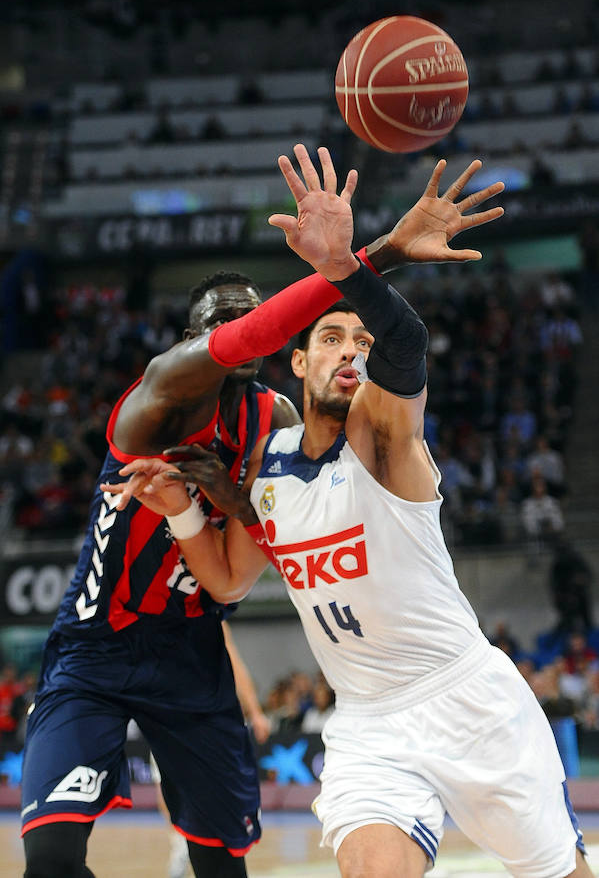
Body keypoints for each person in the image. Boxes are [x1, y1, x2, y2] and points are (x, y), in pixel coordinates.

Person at [105, 149, 589, 877]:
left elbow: (406, 341)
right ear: (294, 363)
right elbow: (229, 580)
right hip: (367, 721)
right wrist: (184, 511)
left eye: (359, 342)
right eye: (330, 337)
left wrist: (347, 267)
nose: (350, 353)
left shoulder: (382, 439)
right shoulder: (266, 467)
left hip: (466, 702)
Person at [19, 143, 494, 878]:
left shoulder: (271, 421)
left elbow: (236, 581)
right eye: (226, 324)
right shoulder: (157, 398)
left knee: (221, 864)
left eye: (251, 317)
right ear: (191, 342)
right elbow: (259, 333)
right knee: (49, 855)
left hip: (194, 649)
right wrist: (382, 252)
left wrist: (222, 497)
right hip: (96, 646)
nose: (245, 332)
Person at [154, 622, 271, 878]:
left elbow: (235, 663)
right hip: (164, 716)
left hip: (208, 720)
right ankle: (179, 839)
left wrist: (255, 711)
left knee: (216, 800)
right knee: (164, 786)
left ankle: (227, 835)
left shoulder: (211, 616)